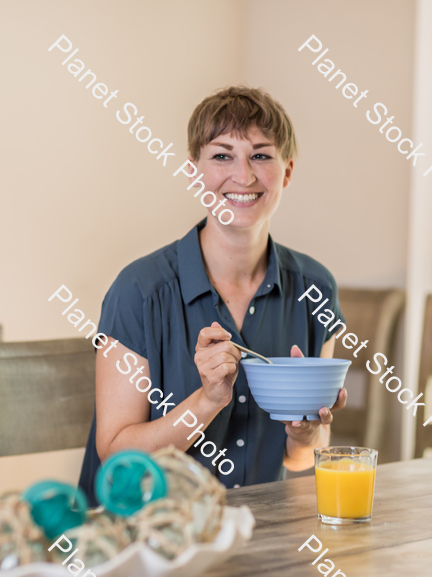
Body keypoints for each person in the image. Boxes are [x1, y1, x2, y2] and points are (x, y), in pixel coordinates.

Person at [78, 86, 348, 506]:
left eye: (261, 154)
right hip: (137, 539)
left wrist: (306, 432)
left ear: (287, 171)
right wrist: (207, 401)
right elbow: (116, 454)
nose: (243, 176)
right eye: (222, 155)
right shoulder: (138, 291)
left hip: (252, 538)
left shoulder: (316, 288)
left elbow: (300, 460)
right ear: (194, 171)